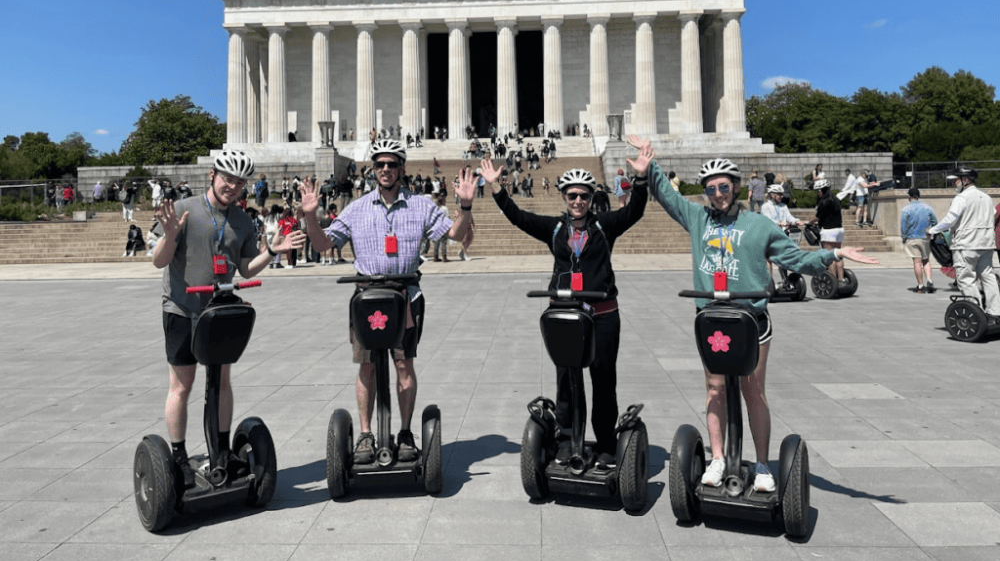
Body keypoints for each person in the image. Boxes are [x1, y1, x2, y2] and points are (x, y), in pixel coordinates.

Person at [633, 136, 878, 492]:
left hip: (751, 320)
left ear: (735, 187)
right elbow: (669, 198)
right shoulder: (698, 218)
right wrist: (648, 169)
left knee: (753, 389)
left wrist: (834, 255)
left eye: (723, 187)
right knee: (715, 389)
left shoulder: (759, 225)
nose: (718, 194)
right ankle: (718, 459)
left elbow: (794, 258)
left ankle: (762, 464)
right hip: (714, 320)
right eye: (711, 188)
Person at [299, 139, 477, 465]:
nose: (385, 169)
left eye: (391, 164)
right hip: (366, 298)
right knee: (366, 366)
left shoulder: (421, 206)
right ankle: (366, 434)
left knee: (404, 365)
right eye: (379, 164)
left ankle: (406, 432)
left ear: (402, 169)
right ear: (372, 169)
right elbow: (324, 245)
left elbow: (454, 236)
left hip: (405, 296)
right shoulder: (356, 208)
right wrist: (311, 217)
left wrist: (465, 207)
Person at [479, 153, 651, 468]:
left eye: (584, 195)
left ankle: (605, 443)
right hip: (566, 314)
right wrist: (497, 188)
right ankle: (567, 438)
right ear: (564, 197)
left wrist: (640, 179)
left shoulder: (604, 225)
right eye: (572, 195)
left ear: (591, 198)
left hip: (602, 314)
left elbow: (635, 211)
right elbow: (519, 217)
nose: (578, 201)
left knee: (603, 380)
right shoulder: (555, 228)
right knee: (566, 380)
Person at [151, 150, 305, 485]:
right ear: (212, 175)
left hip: (218, 312)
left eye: (238, 182)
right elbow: (159, 261)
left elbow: (246, 268)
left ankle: (221, 450)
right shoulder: (184, 209)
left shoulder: (243, 221)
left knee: (221, 381)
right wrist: (171, 234)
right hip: (181, 309)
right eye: (227, 178)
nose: (232, 186)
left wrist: (272, 251)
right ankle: (179, 456)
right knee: (182, 385)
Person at [927, 167, 1000, 323]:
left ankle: (976, 312)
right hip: (986, 244)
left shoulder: (961, 198)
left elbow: (949, 220)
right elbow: (993, 216)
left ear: (965, 180)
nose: (954, 183)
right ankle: (995, 312)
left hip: (966, 244)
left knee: (966, 279)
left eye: (956, 180)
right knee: (988, 277)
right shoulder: (986, 197)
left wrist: (931, 230)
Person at [900, 187, 937, 293]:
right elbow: (934, 222)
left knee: (917, 262)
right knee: (926, 260)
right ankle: (929, 280)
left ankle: (920, 286)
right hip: (925, 238)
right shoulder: (927, 208)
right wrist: (930, 231)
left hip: (912, 238)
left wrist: (904, 236)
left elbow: (903, 225)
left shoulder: (906, 209)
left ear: (909, 197)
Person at [761, 183, 801, 277]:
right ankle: (769, 281)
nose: (781, 196)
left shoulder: (783, 206)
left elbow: (789, 217)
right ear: (772, 195)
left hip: (783, 235)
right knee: (768, 259)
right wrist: (778, 223)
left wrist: (796, 221)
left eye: (782, 194)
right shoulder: (766, 206)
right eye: (779, 194)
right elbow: (768, 220)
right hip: (770, 236)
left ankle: (785, 280)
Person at [813, 178, 847, 285]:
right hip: (839, 230)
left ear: (821, 190)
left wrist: (808, 222)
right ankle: (841, 279)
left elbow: (818, 217)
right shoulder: (835, 199)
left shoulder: (824, 202)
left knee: (830, 258)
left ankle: (833, 281)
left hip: (829, 232)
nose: (817, 193)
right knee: (838, 256)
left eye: (818, 191)